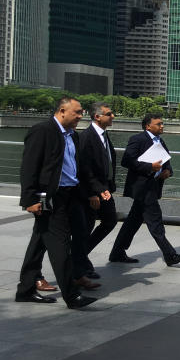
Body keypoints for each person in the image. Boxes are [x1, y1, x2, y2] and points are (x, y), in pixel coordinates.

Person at [15, 97, 97, 310]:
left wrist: (90, 193)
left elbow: (75, 168)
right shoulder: (42, 131)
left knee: (41, 241)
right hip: (51, 198)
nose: (81, 116)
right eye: (77, 112)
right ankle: (72, 296)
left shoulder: (73, 136)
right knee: (60, 246)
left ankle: (25, 290)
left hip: (72, 195)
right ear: (62, 111)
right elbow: (29, 167)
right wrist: (30, 199)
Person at [109, 113, 180, 266]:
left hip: (154, 185)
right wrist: (149, 167)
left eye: (162, 123)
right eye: (158, 124)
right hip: (142, 187)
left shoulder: (160, 141)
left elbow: (166, 162)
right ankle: (170, 255)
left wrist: (168, 172)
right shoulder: (137, 139)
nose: (162, 126)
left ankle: (117, 252)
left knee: (133, 221)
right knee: (155, 221)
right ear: (148, 126)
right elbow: (126, 161)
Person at [79, 102, 122, 262]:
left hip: (105, 188)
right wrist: (92, 192)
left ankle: (80, 256)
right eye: (109, 114)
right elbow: (84, 168)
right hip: (93, 191)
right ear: (97, 117)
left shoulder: (103, 134)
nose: (113, 117)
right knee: (88, 226)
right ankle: (79, 261)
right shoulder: (87, 137)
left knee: (110, 221)